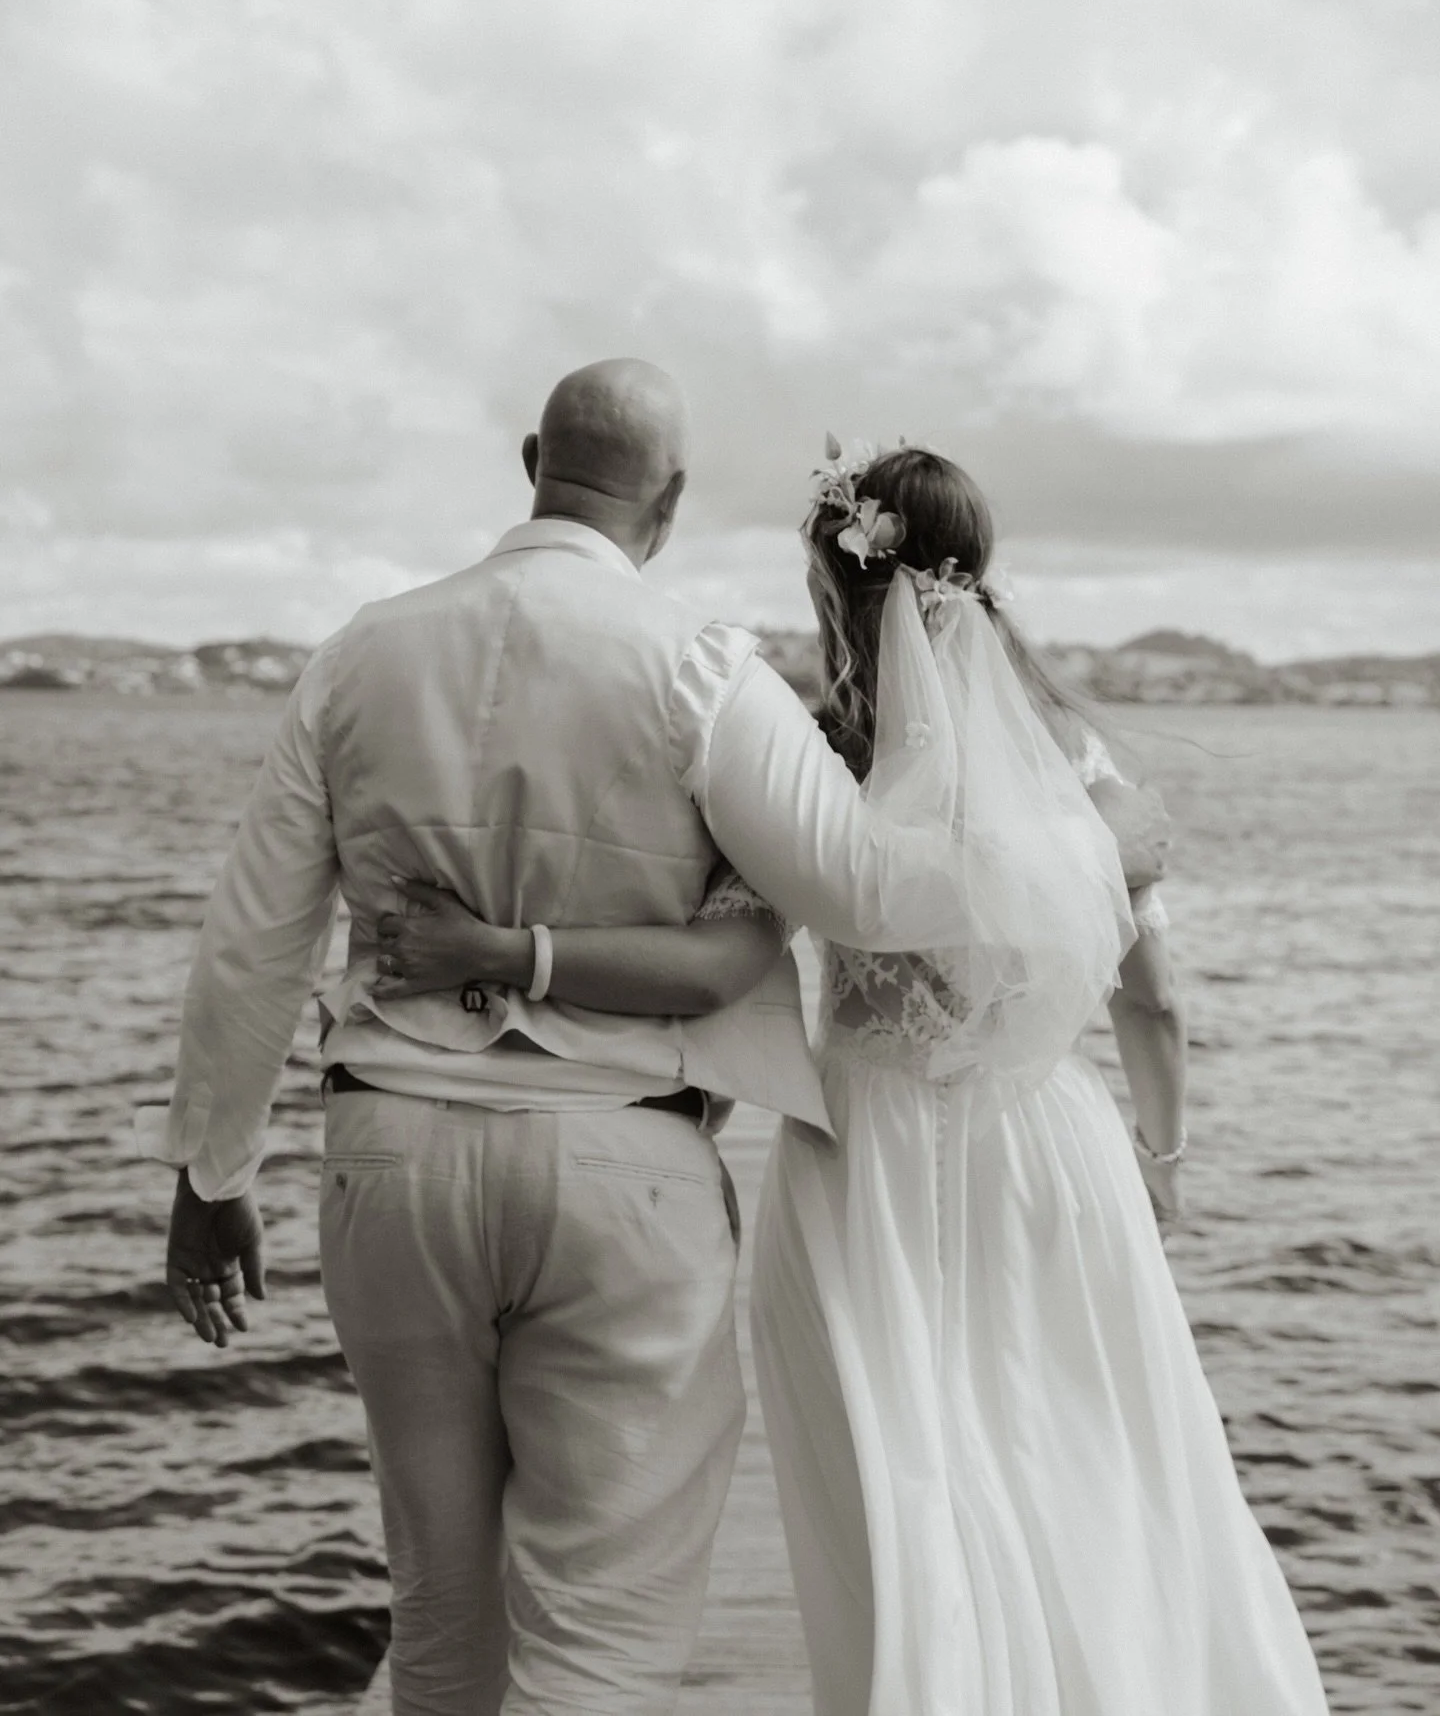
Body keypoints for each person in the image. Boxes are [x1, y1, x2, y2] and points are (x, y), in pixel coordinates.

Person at [137, 362, 1173, 1716]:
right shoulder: (702, 668)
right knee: (604, 1637)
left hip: (386, 1159)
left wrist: (212, 1171)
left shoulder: (356, 653)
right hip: (621, 1173)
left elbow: (252, 939)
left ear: (530, 457)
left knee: (443, 1612)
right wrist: (1097, 842)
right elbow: (862, 884)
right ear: (671, 500)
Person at [382, 444, 1329, 1716]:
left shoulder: (813, 759)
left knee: (901, 1482)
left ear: (836, 584)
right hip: (1049, 1143)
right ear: (978, 568)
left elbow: (717, 964)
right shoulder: (1076, 765)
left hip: (866, 1149)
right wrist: (1161, 1158)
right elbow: (1155, 997)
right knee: (1092, 1453)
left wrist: (507, 958)